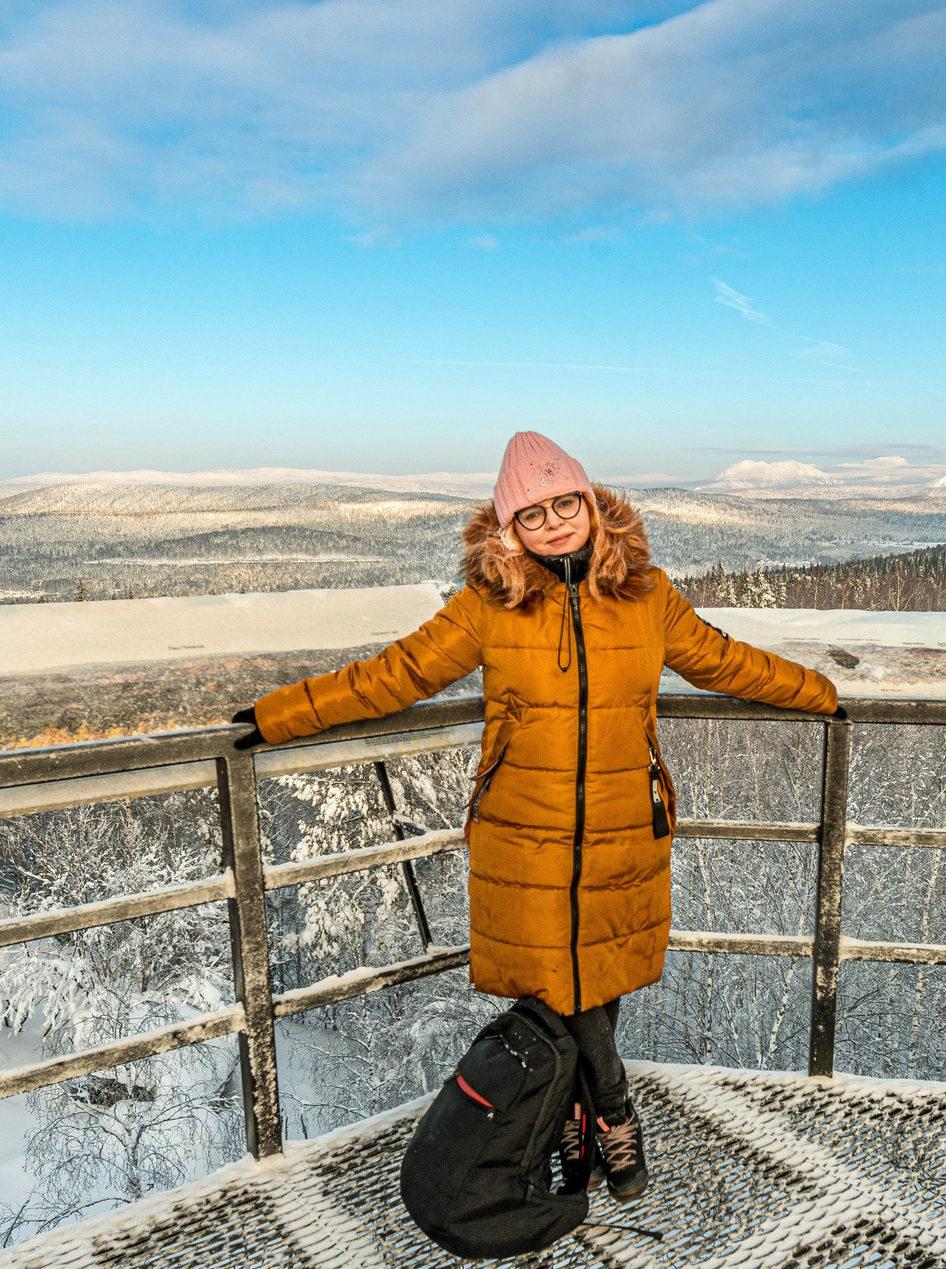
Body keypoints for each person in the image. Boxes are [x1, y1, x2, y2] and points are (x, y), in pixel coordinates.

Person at [234, 431, 841, 1202]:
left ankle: (568, 1119)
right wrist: (280, 714)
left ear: (592, 506)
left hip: (625, 826)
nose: (554, 523)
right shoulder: (490, 605)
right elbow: (397, 673)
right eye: (532, 513)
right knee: (560, 985)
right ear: (506, 528)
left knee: (599, 978)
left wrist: (824, 693)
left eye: (566, 504)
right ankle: (612, 1112)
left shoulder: (647, 596)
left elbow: (726, 660)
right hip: (525, 832)